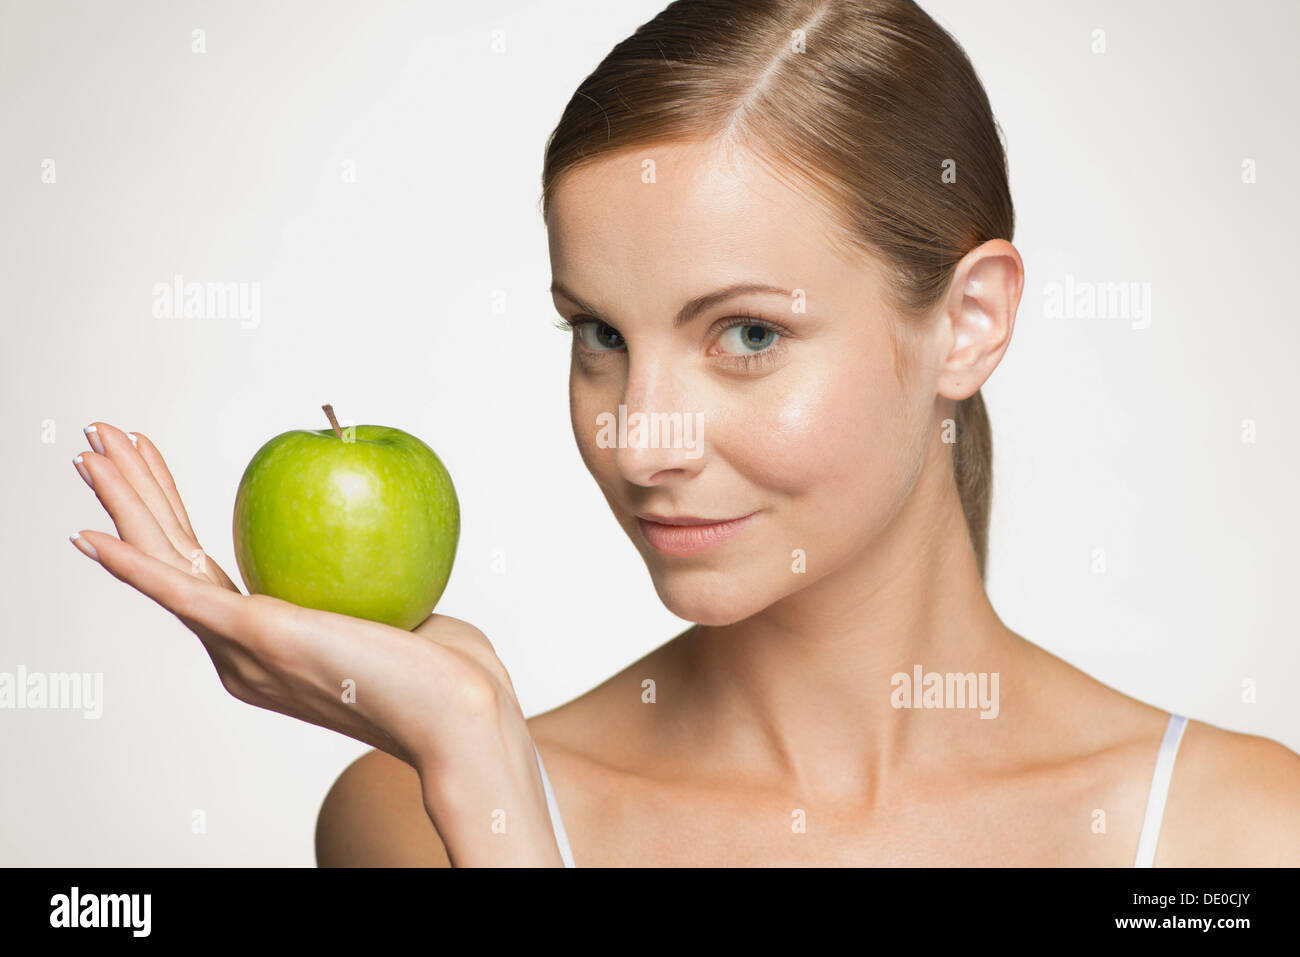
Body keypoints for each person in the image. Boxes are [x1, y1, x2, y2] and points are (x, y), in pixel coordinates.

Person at [70, 0, 1300, 867]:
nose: (639, 441)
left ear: (967, 323)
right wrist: (489, 786)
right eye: (598, 334)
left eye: (748, 334)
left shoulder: (1233, 837)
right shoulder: (415, 814)